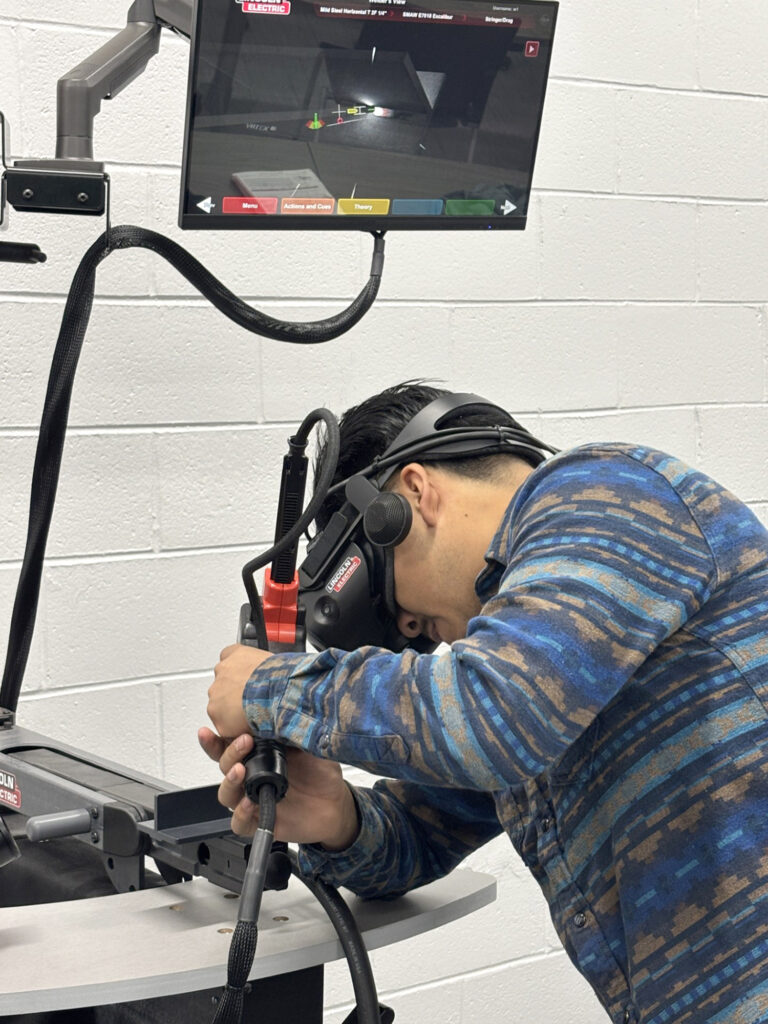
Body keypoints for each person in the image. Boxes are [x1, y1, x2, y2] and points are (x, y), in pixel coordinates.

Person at [201, 381, 768, 1024]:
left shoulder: (605, 493)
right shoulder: (531, 652)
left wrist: (271, 685)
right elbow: (421, 832)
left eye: (401, 611)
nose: (409, 630)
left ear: (416, 493)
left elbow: (490, 721)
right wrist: (338, 818)